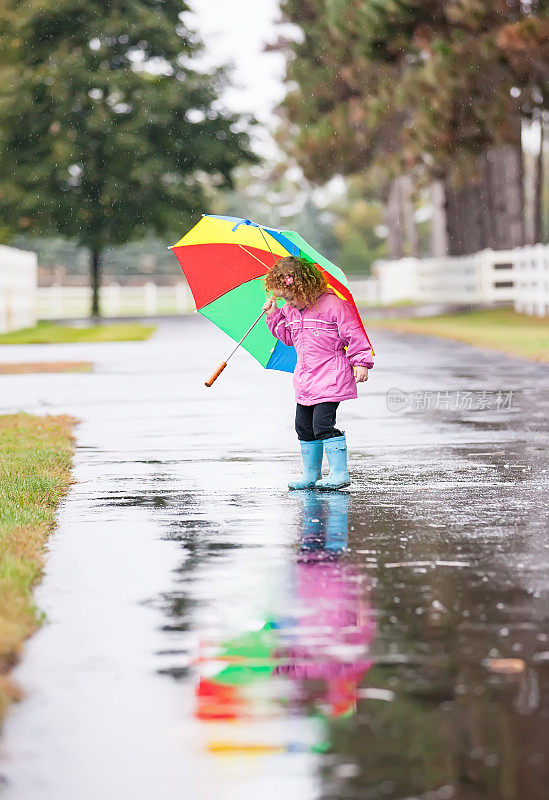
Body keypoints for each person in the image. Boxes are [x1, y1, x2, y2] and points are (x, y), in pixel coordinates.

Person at [262, 255, 374, 490]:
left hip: (331, 376)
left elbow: (352, 333)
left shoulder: (332, 305)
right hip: (306, 379)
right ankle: (310, 474)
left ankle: (339, 473)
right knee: (303, 426)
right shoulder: (291, 310)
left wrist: (361, 362)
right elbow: (287, 338)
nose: (288, 303)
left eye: (290, 297)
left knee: (322, 425)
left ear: (304, 287)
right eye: (283, 299)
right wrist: (273, 315)